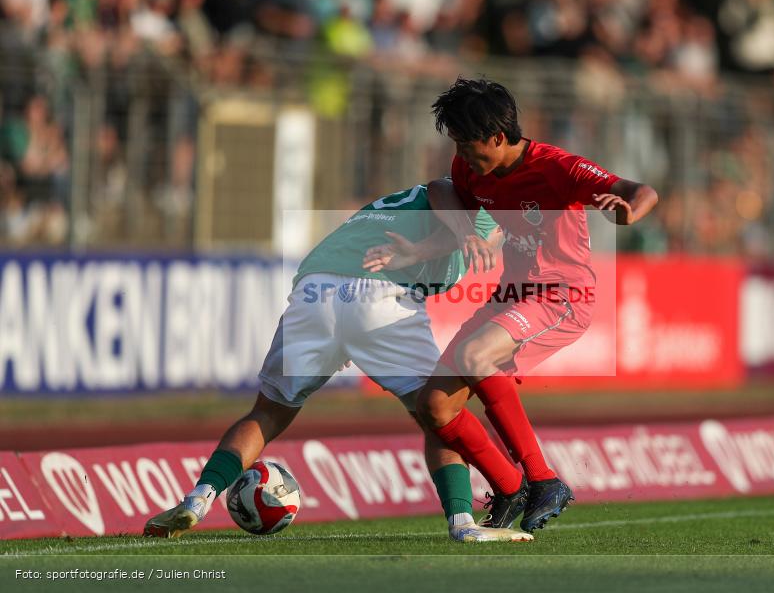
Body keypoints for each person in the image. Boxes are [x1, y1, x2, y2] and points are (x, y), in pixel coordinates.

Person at [143, 182, 532, 543]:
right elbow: (443, 188)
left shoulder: (402, 205)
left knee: (268, 411)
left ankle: (198, 498)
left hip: (314, 291)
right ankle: (463, 523)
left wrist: (340, 336)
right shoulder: (481, 206)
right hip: (380, 294)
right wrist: (470, 233)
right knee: (442, 416)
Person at [411, 77, 658, 532]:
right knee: (433, 407)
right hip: (510, 297)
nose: (462, 154)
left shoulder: (559, 168)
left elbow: (642, 191)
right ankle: (509, 487)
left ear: (498, 137)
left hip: (562, 296)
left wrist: (629, 213)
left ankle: (543, 479)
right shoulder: (471, 168)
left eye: (467, 144)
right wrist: (466, 231)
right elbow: (439, 187)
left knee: (473, 355)